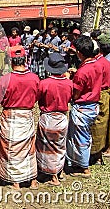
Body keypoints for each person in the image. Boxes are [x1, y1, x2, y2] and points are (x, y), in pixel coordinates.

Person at [0, 45, 39, 190]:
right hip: (27, 115)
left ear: (11, 61)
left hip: (11, 116)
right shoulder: (34, 78)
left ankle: (15, 181)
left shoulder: (5, 80)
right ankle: (33, 180)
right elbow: (36, 96)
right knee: (29, 146)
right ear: (24, 60)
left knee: (10, 148)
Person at [66, 35, 102, 178]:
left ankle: (83, 167)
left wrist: (70, 80)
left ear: (79, 53)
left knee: (80, 138)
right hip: (93, 105)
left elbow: (75, 94)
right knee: (85, 136)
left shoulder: (82, 72)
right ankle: (80, 162)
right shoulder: (97, 65)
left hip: (83, 106)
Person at [36, 52, 72, 186]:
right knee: (60, 146)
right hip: (62, 117)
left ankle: (52, 175)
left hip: (48, 117)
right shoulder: (69, 83)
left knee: (46, 147)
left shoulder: (44, 83)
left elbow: (37, 98)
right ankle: (59, 170)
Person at [90, 34, 110, 164]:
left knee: (97, 126)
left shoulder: (98, 64)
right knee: (106, 124)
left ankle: (97, 154)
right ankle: (106, 149)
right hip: (106, 95)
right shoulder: (107, 62)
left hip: (100, 95)